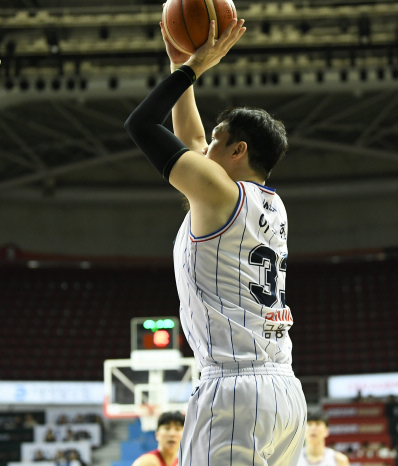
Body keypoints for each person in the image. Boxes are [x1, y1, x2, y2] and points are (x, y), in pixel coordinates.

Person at [125, 13, 307, 466]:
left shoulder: (220, 193)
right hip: (284, 392)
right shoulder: (270, 203)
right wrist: (178, 68)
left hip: (234, 392)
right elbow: (193, 139)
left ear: (238, 151)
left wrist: (194, 68)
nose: (204, 148)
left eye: (216, 143)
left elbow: (142, 125)